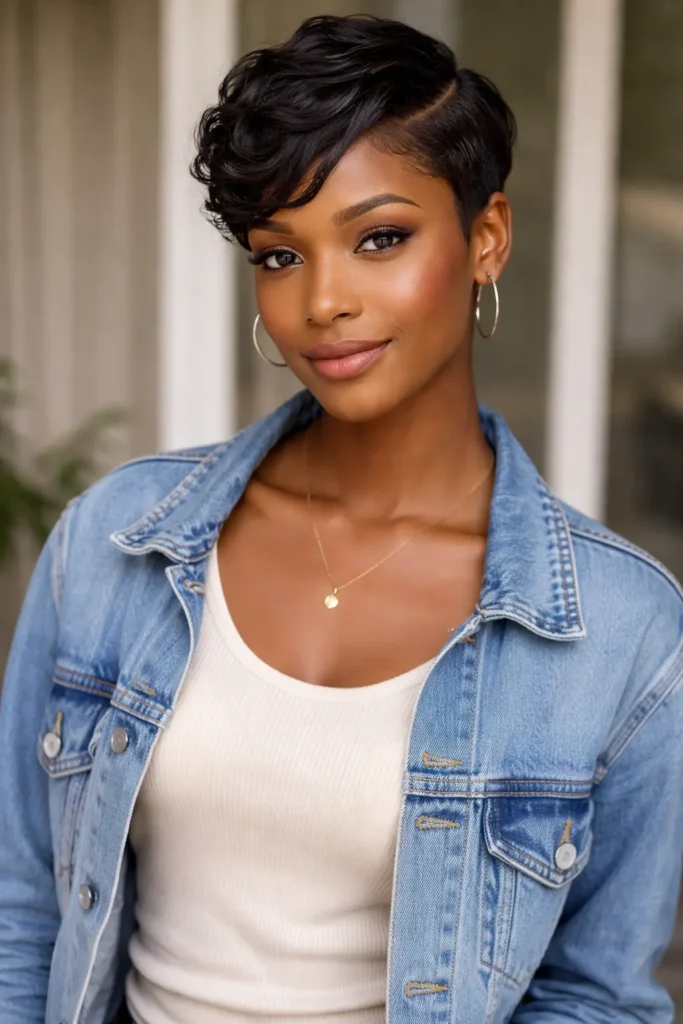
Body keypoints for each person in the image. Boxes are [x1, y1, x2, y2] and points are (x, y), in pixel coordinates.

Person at [0, 13, 682, 1024]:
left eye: (379, 238)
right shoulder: (114, 541)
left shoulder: (617, 628)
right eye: (279, 256)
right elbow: (25, 915)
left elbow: (596, 998)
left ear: (484, 236)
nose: (322, 301)